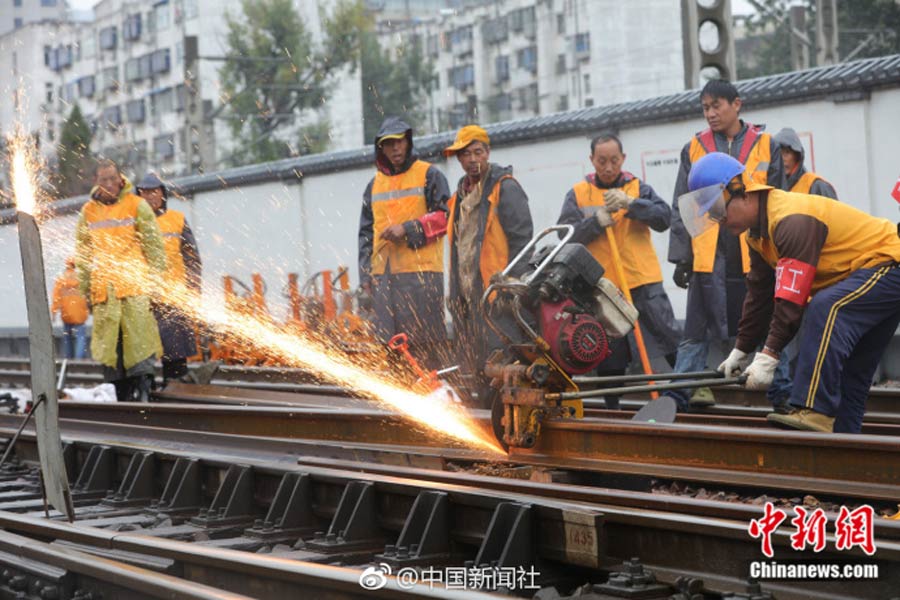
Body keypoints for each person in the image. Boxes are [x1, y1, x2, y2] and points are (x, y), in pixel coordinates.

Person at [680, 152, 900, 433]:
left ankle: (813, 411)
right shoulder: (758, 235)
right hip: (875, 274)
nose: (718, 220)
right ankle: (846, 448)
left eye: (719, 210)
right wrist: (742, 350)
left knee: (826, 307)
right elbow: (760, 297)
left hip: (890, 261)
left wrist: (769, 355)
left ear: (741, 192)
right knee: (851, 376)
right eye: (712, 215)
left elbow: (790, 299)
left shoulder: (789, 220)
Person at [666, 79, 785, 411]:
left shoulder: (766, 144)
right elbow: (683, 203)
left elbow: (779, 197)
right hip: (709, 252)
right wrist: (682, 257)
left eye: (716, 105)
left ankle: (784, 395)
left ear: (737, 104)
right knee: (696, 328)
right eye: (705, 107)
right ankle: (679, 396)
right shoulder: (693, 147)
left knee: (769, 317)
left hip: (755, 249)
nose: (710, 113)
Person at [557, 132, 681, 408]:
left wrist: (630, 204)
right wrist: (595, 222)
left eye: (614, 160)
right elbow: (565, 237)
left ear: (623, 159)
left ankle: (687, 391)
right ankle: (613, 407)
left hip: (642, 280)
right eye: (602, 161)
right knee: (609, 350)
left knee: (667, 336)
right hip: (602, 288)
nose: (609, 167)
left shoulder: (638, 188)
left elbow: (664, 218)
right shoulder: (578, 193)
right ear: (592, 160)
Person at [444, 125, 534, 406]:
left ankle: (504, 420)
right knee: (476, 366)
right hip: (469, 296)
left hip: (498, 295)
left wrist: (508, 285)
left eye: (477, 152)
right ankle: (485, 421)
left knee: (501, 364)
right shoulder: (459, 195)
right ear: (459, 159)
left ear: (488, 152)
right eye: (466, 155)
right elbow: (460, 249)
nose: (472, 160)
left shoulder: (505, 187)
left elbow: (523, 240)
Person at [358, 117, 451, 369]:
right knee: (389, 348)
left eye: (399, 142)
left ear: (408, 143)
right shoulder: (373, 185)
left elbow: (445, 217)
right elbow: (366, 235)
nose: (395, 149)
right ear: (381, 149)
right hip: (384, 280)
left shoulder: (429, 175)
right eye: (389, 144)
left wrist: (408, 229)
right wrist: (365, 278)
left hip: (421, 278)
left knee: (424, 348)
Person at [75, 159, 166, 402]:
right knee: (111, 354)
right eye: (104, 179)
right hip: (104, 294)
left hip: (134, 290)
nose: (110, 184)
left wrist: (156, 286)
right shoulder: (88, 212)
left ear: (120, 178)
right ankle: (120, 401)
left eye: (113, 178)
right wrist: (85, 292)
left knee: (140, 346)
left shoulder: (137, 206)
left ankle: (144, 394)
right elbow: (83, 256)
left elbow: (154, 248)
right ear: (96, 181)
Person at [136, 172, 202, 384]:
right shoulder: (134, 223)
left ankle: (175, 388)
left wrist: (193, 289)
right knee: (143, 352)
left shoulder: (177, 219)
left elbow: (192, 258)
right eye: (144, 193)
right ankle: (147, 392)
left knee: (175, 349)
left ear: (162, 194)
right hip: (145, 299)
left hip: (174, 297)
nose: (149, 197)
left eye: (153, 192)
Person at [772, 127, 838, 199]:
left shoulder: (816, 186)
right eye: (778, 154)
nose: (782, 159)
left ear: (797, 156)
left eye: (787, 152)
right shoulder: (771, 190)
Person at [51, 257, 89, 359]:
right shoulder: (81, 278)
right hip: (80, 313)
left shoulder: (61, 279)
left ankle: (69, 359)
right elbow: (89, 294)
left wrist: (54, 312)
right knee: (80, 337)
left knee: (67, 337)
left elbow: (56, 297)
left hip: (66, 313)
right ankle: (79, 360)